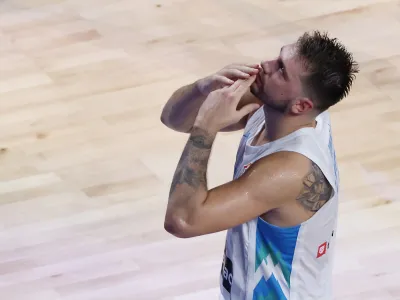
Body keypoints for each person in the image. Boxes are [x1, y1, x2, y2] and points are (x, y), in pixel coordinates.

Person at [160, 30, 359, 300]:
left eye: (280, 70)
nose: (265, 66)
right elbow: (174, 119)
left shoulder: (287, 172)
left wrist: (207, 126)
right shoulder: (284, 112)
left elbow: (182, 221)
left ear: (301, 105)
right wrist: (202, 88)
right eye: (278, 58)